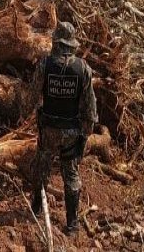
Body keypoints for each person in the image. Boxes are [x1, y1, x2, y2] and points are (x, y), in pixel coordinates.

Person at [30, 21, 98, 236]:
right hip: (71, 132)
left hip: (49, 128)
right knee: (71, 174)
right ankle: (72, 224)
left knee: (42, 167)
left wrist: (35, 113)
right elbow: (90, 107)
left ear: (56, 42)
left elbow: (33, 95)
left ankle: (36, 210)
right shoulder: (83, 68)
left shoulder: (44, 64)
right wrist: (85, 134)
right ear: (72, 45)